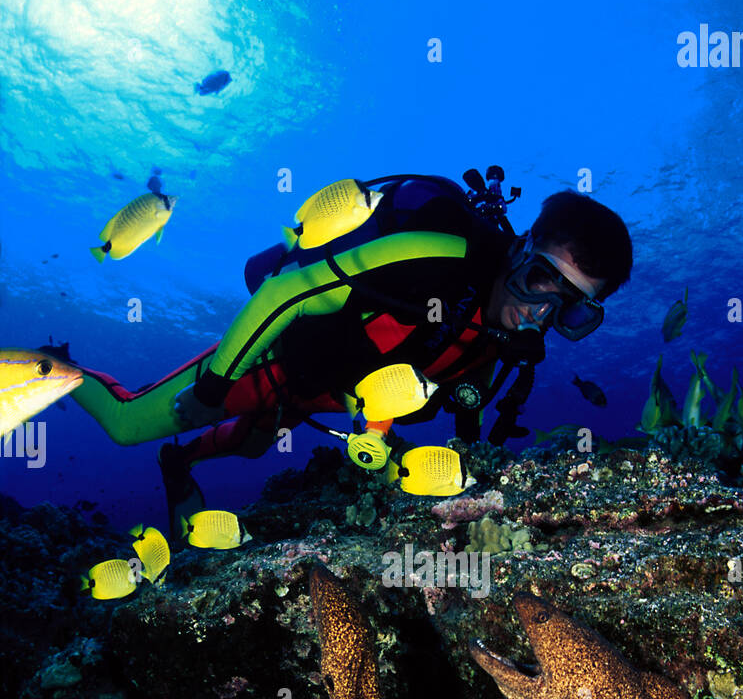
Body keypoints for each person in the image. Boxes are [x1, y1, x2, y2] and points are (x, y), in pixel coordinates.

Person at [72, 171, 633, 533]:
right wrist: (218, 382)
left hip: (334, 393)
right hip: (280, 359)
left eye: (573, 310)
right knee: (126, 425)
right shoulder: (440, 250)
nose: (543, 314)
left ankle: (180, 461)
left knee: (250, 446)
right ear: (521, 250)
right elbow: (284, 291)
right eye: (541, 281)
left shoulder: (507, 343)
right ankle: (43, 364)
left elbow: (457, 396)